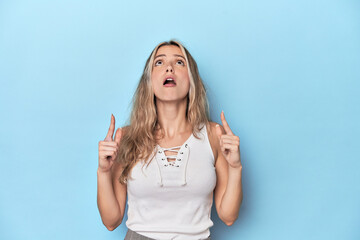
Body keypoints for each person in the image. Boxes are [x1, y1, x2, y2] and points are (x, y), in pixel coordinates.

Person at [97, 40, 243, 240]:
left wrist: (235, 167)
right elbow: (111, 221)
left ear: (192, 79)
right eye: (159, 63)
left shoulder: (213, 134)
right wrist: (104, 172)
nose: (169, 67)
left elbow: (228, 216)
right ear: (149, 80)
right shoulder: (127, 137)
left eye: (179, 62)